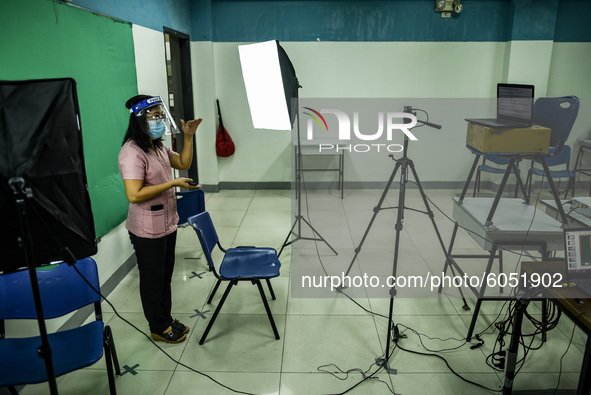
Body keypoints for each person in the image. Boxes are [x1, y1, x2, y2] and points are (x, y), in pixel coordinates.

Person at [118, 94, 202, 343]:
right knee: (153, 279)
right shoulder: (131, 152)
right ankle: (157, 326)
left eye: (160, 115)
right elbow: (134, 195)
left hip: (166, 222)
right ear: (140, 119)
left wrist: (188, 136)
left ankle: (166, 318)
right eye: (154, 116)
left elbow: (184, 161)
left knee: (165, 276)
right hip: (146, 228)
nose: (159, 120)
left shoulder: (157, 146)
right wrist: (173, 182)